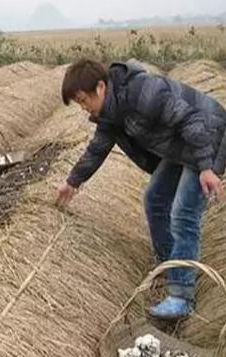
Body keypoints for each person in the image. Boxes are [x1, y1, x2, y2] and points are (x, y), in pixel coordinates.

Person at [56, 58, 226, 319]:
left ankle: (181, 296)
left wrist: (206, 166)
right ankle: (170, 267)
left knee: (183, 213)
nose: (83, 108)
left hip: (208, 135)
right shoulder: (110, 113)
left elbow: (190, 119)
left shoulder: (144, 93)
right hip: (182, 146)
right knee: (155, 197)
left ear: (101, 88)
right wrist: (72, 182)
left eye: (83, 100)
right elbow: (97, 149)